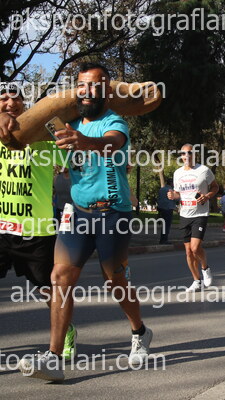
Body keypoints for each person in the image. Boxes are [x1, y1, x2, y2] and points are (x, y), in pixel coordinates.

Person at [18, 63, 152, 381]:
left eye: (95, 85)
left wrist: (84, 141)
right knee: (60, 277)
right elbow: (50, 150)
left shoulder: (114, 122)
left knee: (114, 281)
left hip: (113, 214)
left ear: (107, 90)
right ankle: (53, 357)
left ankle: (139, 331)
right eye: (82, 85)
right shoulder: (65, 125)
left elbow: (112, 143)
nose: (87, 91)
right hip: (77, 213)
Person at [0, 82, 78, 368]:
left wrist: (53, 123)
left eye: (16, 98)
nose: (10, 103)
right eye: (3, 98)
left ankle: (64, 331)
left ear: (25, 104)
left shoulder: (44, 140)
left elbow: (73, 156)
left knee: (49, 290)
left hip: (37, 231)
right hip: (1, 229)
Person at [168, 144, 218, 291]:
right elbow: (178, 193)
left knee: (195, 248)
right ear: (181, 156)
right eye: (183, 153)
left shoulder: (204, 170)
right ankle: (196, 281)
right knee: (188, 251)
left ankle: (205, 268)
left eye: (189, 153)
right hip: (185, 213)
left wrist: (207, 196)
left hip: (200, 214)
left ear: (194, 154)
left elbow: (215, 187)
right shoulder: (177, 173)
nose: (186, 156)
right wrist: (173, 195)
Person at [157, 179, 176, 244]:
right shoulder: (171, 190)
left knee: (164, 225)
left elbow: (158, 199)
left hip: (161, 209)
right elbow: (176, 199)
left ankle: (162, 239)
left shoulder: (161, 189)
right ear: (171, 183)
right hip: (168, 209)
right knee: (167, 225)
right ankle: (164, 240)